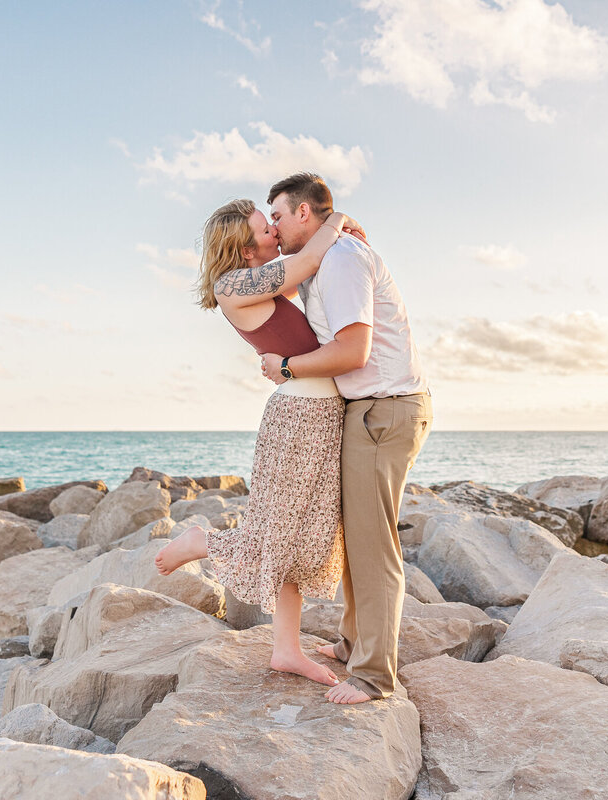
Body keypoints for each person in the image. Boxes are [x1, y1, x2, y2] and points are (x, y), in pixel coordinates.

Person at [155, 197, 364, 688]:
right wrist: (337, 218)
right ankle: (203, 542)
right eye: (264, 230)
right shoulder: (232, 286)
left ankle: (286, 650)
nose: (274, 230)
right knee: (278, 533)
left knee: (301, 536)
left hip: (319, 415)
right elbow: (310, 259)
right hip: (297, 420)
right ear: (246, 252)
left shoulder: (262, 281)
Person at [258, 173, 431, 705]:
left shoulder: (342, 261)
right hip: (369, 411)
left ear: (304, 214)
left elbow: (354, 350)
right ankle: (356, 643)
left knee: (373, 546)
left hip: (384, 410)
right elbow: (266, 284)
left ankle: (376, 676)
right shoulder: (323, 260)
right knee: (356, 538)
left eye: (280, 216)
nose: (273, 227)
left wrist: (287, 367)